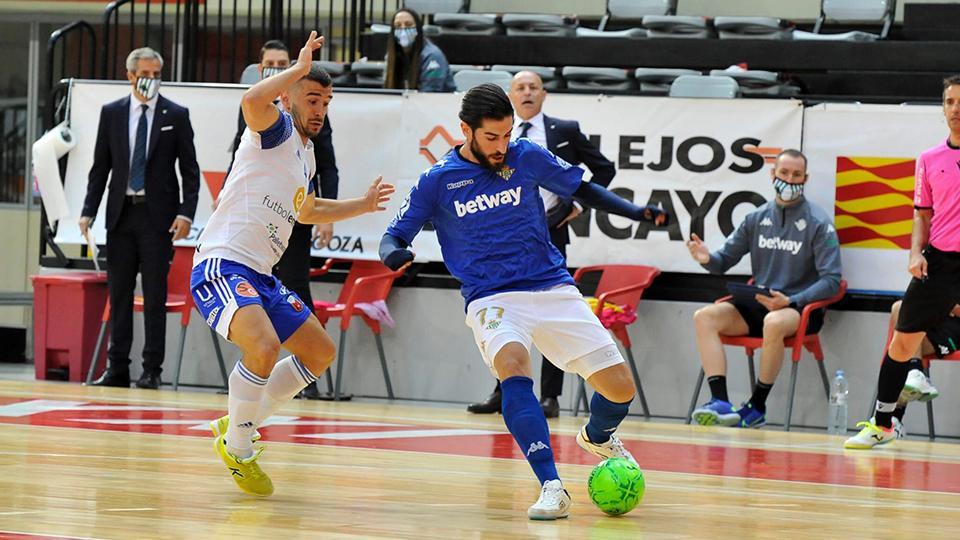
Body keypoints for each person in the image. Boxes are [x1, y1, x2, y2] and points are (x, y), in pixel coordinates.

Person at [379, 83, 667, 520]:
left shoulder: (526, 155)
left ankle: (597, 434)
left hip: (550, 286)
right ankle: (552, 484)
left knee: (620, 388)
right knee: (513, 366)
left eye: (507, 134)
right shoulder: (437, 181)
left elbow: (583, 189)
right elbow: (393, 234)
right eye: (491, 138)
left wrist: (636, 211)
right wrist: (395, 254)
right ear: (465, 131)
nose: (501, 146)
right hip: (490, 297)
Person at [192, 32, 394, 496]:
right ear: (289, 96)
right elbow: (249, 98)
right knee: (262, 347)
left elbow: (306, 211)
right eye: (312, 97)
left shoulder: (305, 155)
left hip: (261, 275)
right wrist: (298, 68)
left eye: (326, 101)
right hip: (223, 264)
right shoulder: (275, 127)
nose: (320, 108)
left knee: (319, 352)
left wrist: (361, 206)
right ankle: (240, 448)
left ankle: (239, 420)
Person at [467, 70, 616, 418]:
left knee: (553, 312)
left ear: (544, 94)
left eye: (534, 87)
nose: (528, 92)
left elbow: (603, 170)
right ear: (510, 96)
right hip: (506, 236)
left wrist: (577, 205)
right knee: (506, 309)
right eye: (520, 88)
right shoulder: (495, 137)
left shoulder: (564, 131)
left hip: (551, 229)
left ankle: (550, 396)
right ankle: (504, 390)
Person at [686, 149, 842, 429]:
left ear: (805, 179)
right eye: (784, 173)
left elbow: (832, 280)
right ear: (773, 175)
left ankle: (757, 405)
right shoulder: (755, 219)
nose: (789, 179)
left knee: (773, 321)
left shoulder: (819, 222)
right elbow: (723, 261)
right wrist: (706, 258)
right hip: (758, 303)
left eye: (796, 175)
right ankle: (720, 402)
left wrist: (792, 299)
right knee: (704, 317)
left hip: (797, 309)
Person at [846, 75, 960, 449]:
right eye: (950, 102)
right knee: (900, 347)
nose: (956, 110)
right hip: (940, 263)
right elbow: (922, 215)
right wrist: (914, 253)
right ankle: (883, 424)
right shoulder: (929, 159)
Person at [224, 39, 341, 400]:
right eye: (271, 64)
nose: (320, 108)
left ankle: (301, 378)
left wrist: (347, 209)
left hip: (289, 223)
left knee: (297, 290)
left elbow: (323, 176)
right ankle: (242, 416)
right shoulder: (269, 118)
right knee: (261, 338)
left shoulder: (309, 134)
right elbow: (241, 150)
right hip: (240, 247)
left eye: (283, 63)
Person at [80, 46, 200, 390]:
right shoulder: (113, 112)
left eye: (156, 74)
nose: (150, 80)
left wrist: (186, 212)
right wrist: (89, 209)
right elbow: (100, 167)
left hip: (157, 217)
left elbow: (190, 170)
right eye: (144, 74)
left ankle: (152, 370)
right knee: (118, 295)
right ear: (130, 75)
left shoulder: (175, 114)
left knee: (153, 296)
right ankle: (117, 367)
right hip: (120, 215)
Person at [880, 300, 945, 437]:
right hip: (935, 318)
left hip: (953, 322)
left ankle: (894, 419)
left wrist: (948, 305)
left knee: (910, 338)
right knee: (900, 308)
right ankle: (915, 372)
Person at [384, 7, 455, 92]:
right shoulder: (394, 55)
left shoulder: (432, 56)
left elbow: (429, 95)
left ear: (418, 28)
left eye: (408, 24)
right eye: (398, 26)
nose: (403, 29)